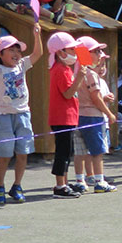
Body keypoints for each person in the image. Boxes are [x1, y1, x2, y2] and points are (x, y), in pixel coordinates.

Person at [0, 25, 43, 205]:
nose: (16, 53)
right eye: (12, 50)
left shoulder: (22, 65)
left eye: (18, 50)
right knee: (5, 154)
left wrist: (36, 35)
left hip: (23, 114)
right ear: (1, 54)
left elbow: (37, 54)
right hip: (3, 116)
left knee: (23, 153)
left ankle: (17, 186)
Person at [72, 36, 117, 193]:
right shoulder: (91, 74)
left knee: (80, 151)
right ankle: (100, 181)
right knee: (97, 152)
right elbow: (95, 98)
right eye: (96, 51)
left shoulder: (78, 71)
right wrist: (109, 113)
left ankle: (80, 180)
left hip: (79, 117)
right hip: (93, 117)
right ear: (86, 53)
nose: (100, 54)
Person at [47, 32, 86, 198]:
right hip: (62, 117)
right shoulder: (61, 70)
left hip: (68, 117)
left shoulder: (66, 69)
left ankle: (64, 181)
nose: (74, 53)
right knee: (63, 151)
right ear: (61, 52)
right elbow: (68, 94)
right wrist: (79, 79)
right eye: (71, 49)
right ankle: (59, 185)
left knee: (67, 150)